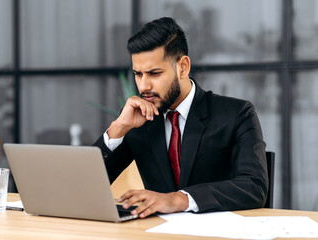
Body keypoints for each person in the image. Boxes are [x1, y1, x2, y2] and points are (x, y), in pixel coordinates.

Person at [93, 17, 268, 218]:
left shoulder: (237, 113)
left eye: (154, 73)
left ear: (183, 67)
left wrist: (178, 199)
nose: (143, 86)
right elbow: (86, 185)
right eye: (138, 74)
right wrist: (118, 128)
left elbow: (254, 187)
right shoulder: (137, 119)